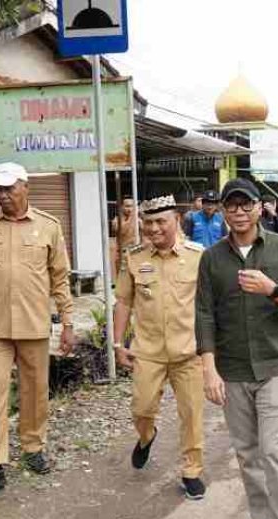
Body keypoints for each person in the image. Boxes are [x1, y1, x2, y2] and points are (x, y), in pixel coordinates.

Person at [195, 178, 278, 519]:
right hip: (232, 370)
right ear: (224, 211)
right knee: (247, 453)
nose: (239, 212)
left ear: (260, 208)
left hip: (275, 365)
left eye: (246, 205)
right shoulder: (211, 258)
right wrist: (208, 369)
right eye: (232, 206)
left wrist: (272, 289)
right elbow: (205, 315)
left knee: (275, 451)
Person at [0, 162, 75, 497]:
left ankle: (33, 447)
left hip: (33, 324)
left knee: (35, 392)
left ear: (25, 187)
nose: (3, 195)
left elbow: (60, 278)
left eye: (9, 188)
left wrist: (67, 322)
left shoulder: (48, 226)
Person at [113, 194, 206, 500]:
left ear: (176, 220)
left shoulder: (198, 256)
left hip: (187, 351)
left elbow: (210, 306)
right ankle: (146, 435)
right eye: (148, 222)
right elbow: (124, 301)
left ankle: (192, 470)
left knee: (191, 414)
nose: (153, 229)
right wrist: (117, 343)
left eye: (160, 222)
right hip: (148, 351)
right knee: (141, 408)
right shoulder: (135, 257)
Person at [112, 197, 143, 273]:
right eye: (127, 206)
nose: (130, 209)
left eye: (132, 206)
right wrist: (132, 218)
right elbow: (121, 230)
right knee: (122, 278)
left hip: (136, 252)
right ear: (122, 207)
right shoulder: (116, 220)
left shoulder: (138, 221)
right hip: (122, 254)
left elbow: (145, 235)